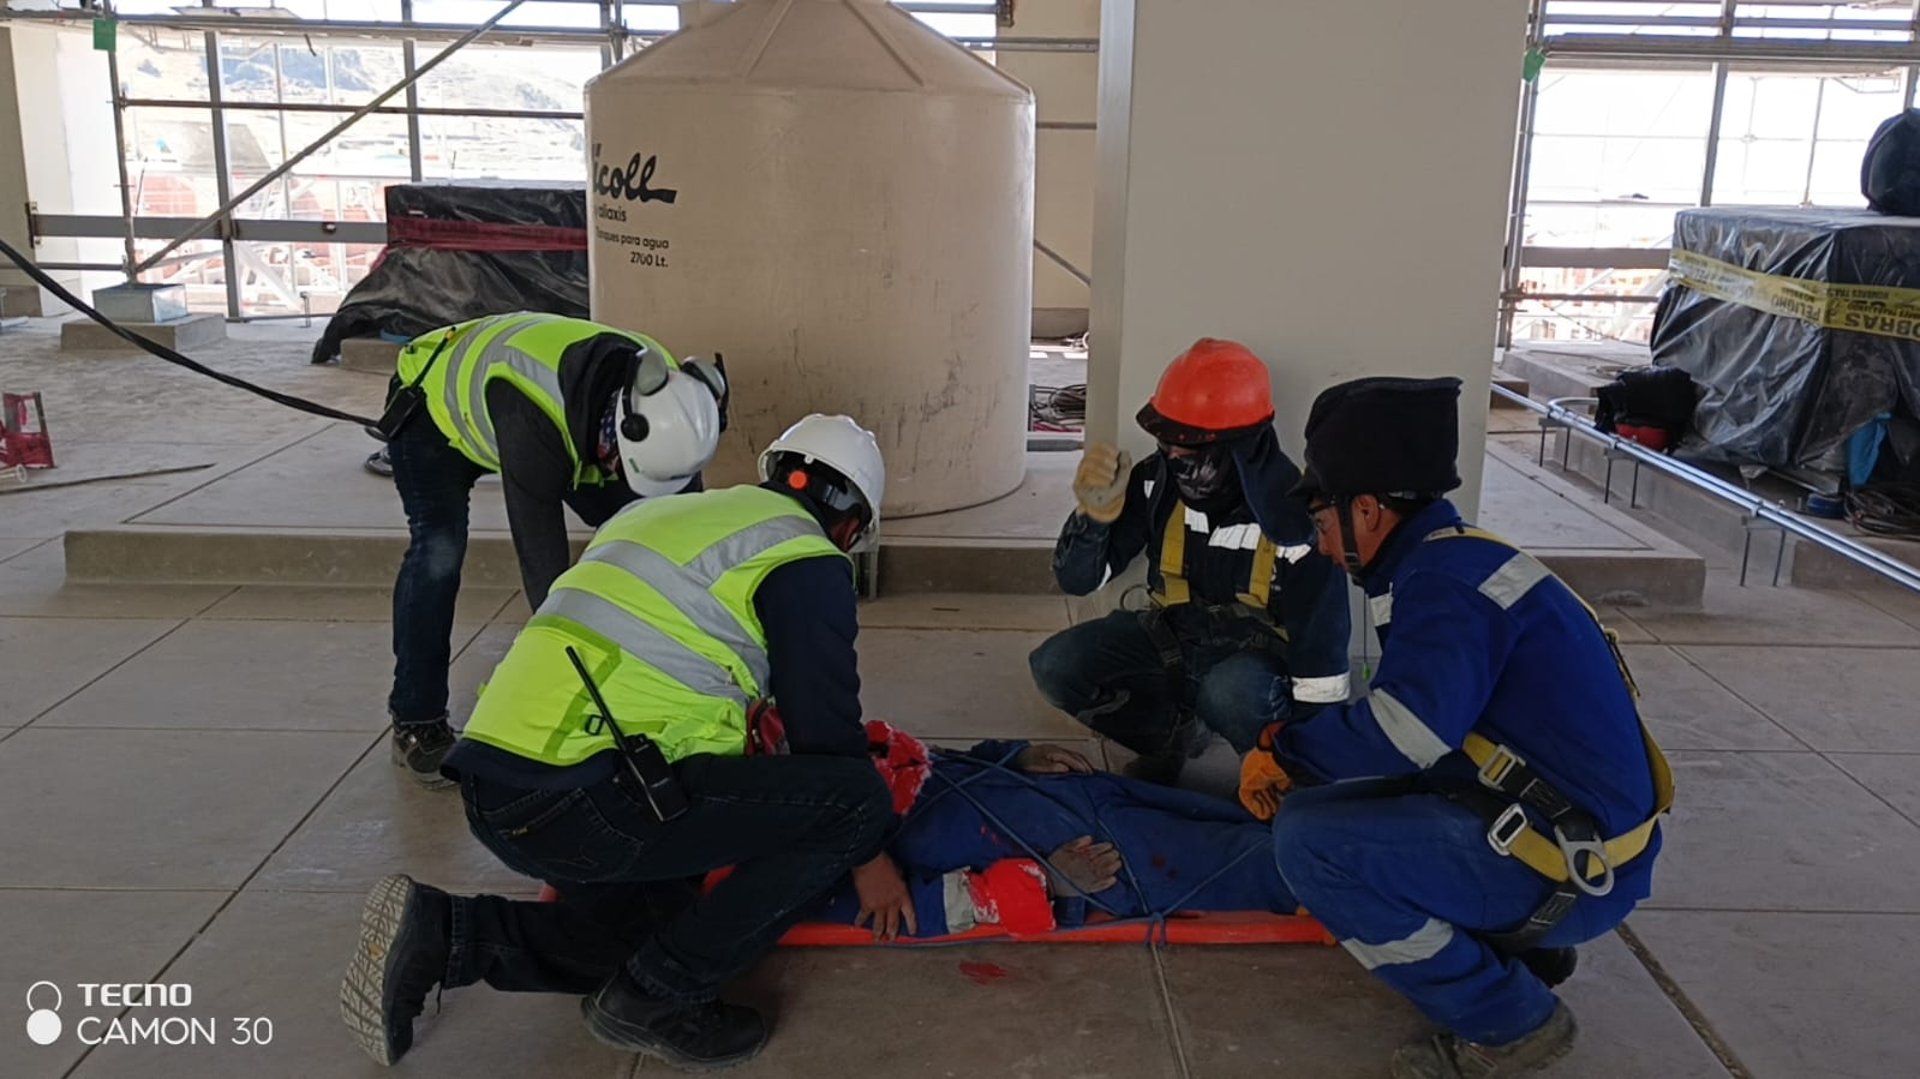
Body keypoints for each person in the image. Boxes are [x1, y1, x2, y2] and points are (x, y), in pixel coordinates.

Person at [341, 414, 913, 1072]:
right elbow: (827, 735)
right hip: (587, 798)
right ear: (850, 526)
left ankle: (443, 934)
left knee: (649, 937)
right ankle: (659, 999)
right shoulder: (805, 555)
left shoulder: (664, 516)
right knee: (855, 804)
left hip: (501, 787)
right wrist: (869, 856)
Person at [1237, 376, 1674, 1079]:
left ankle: (1510, 1021)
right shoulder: (1453, 557)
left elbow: (1403, 733)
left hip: (1573, 865)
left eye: (1322, 525)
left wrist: (1284, 749)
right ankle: (1519, 948)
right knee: (1328, 807)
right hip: (1575, 836)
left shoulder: (1444, 585)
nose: (1321, 548)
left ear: (1367, 510)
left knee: (1312, 845)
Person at [380, 312, 729, 787]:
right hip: (430, 405)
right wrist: (576, 690)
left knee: (641, 530)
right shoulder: (533, 419)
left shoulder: (672, 400)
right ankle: (416, 720)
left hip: (560, 415)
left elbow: (677, 539)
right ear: (617, 431)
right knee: (438, 552)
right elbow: (545, 578)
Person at [1028, 338, 1352, 783]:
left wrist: (1309, 770)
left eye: (1190, 448)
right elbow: (1079, 581)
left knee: (1230, 692)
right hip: (1173, 636)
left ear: (1242, 447)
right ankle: (1167, 741)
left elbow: (1322, 663)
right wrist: (1093, 518)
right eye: (1166, 443)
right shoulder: (1155, 482)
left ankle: (1270, 772)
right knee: (1056, 666)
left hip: (1251, 661)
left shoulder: (1299, 521)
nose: (1173, 456)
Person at [806, 723, 1296, 938]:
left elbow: (935, 762)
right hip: (1097, 861)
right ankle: (1339, 867)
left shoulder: (816, 742)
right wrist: (1047, 883)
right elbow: (920, 913)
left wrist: (1015, 756)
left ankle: (1321, 831)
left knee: (1248, 821)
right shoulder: (807, 868)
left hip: (1078, 793)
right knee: (1272, 866)